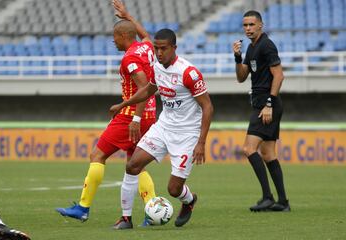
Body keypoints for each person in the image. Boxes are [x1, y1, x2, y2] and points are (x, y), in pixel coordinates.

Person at [110, 0, 213, 230]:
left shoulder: (189, 73)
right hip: (163, 126)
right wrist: (123, 104)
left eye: (163, 48)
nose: (158, 52)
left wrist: (201, 142)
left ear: (174, 48)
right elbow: (148, 90)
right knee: (132, 165)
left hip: (186, 134)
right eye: (156, 48)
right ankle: (126, 219)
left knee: (173, 189)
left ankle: (189, 200)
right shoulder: (157, 65)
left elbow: (208, 107)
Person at [56, 9, 158, 225]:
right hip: (150, 114)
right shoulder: (146, 47)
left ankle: (83, 207)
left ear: (123, 36)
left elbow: (145, 87)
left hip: (132, 116)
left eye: (115, 37)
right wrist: (128, 17)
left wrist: (134, 118)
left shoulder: (130, 58)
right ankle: (151, 210)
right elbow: (146, 35)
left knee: (97, 155)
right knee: (135, 164)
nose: (113, 41)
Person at [232, 10, 290, 212]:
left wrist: (269, 104)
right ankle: (283, 202)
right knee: (268, 154)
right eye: (245, 25)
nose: (248, 28)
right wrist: (238, 57)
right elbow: (241, 77)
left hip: (266, 105)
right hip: (261, 104)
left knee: (248, 149)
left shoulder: (267, 45)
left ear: (260, 25)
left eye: (251, 25)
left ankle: (267, 196)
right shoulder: (251, 47)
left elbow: (279, 76)